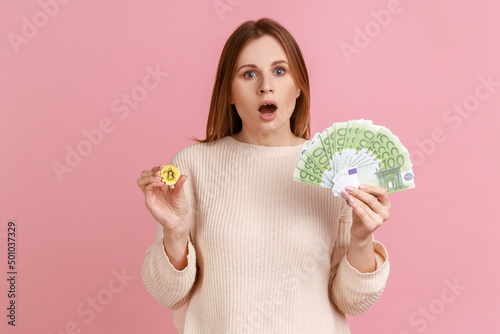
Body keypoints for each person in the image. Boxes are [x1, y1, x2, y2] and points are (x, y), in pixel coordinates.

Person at [138, 17, 391, 334]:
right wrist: (175, 233)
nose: (265, 86)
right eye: (249, 74)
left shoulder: (333, 170)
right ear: (229, 92)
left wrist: (362, 238)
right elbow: (168, 294)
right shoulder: (193, 167)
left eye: (279, 71)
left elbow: (352, 302)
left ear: (298, 86)